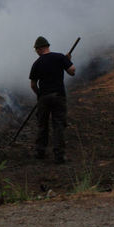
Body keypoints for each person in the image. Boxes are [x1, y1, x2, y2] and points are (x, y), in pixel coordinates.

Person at [29, 36, 76, 164]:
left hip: (44, 98)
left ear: (39, 49)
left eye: (36, 50)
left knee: (42, 125)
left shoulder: (37, 63)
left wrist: (40, 95)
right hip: (58, 96)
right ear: (47, 46)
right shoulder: (60, 57)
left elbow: (33, 85)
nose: (36, 52)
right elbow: (72, 71)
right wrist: (67, 62)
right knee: (58, 125)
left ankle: (40, 152)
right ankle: (59, 156)